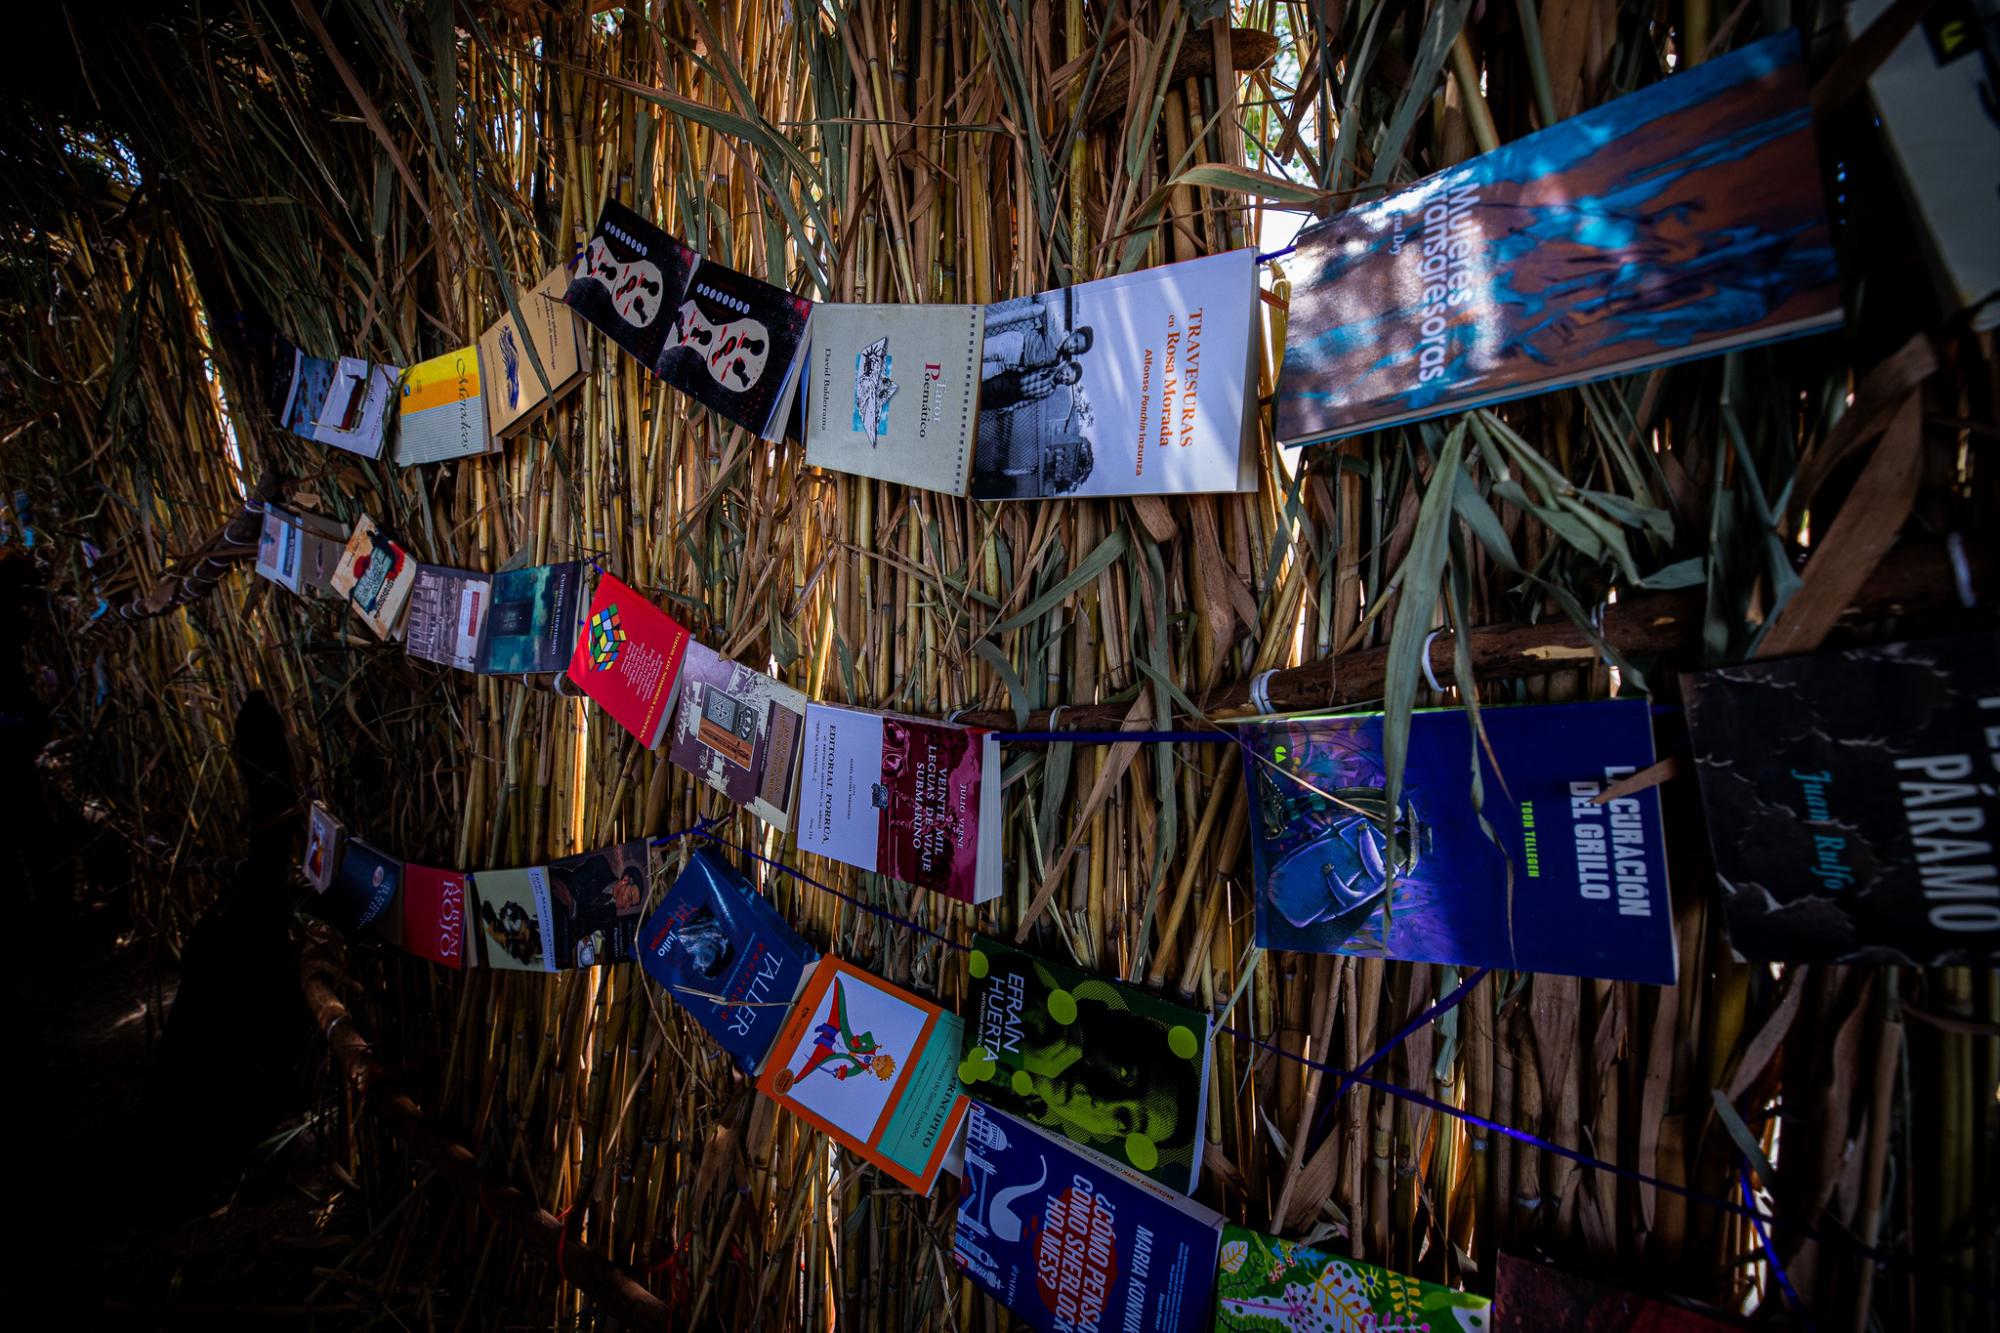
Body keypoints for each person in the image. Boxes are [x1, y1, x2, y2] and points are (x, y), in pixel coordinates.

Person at [981, 325, 1093, 412]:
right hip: (1014, 345)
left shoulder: (1060, 360)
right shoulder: (1055, 330)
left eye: (1076, 349)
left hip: (1012, 365)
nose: (1072, 346)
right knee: (979, 351)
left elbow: (1061, 373)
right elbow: (1043, 302)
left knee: (979, 375)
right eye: (1075, 340)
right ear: (1073, 332)